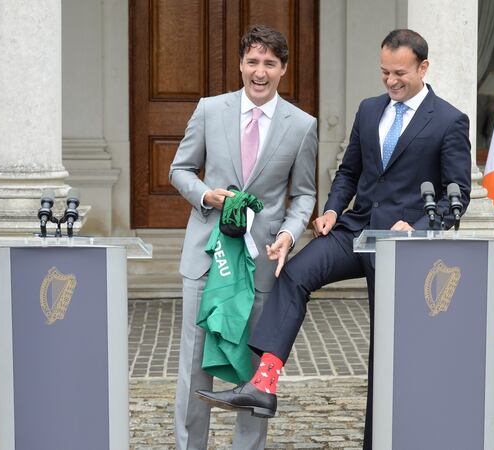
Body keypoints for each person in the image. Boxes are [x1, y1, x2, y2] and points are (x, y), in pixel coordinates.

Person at [196, 29, 472, 449]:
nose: (391, 81)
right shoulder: (368, 110)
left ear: (423, 68)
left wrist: (417, 225)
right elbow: (348, 173)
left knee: (387, 343)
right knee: (294, 273)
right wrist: (330, 209)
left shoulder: (450, 120)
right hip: (352, 231)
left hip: (402, 248)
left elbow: (459, 195)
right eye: (384, 72)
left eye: (400, 73)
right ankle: (264, 383)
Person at [169, 25, 318, 450]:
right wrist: (206, 196)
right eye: (252, 61)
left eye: (270, 63)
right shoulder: (209, 110)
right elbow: (180, 170)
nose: (260, 72)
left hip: (261, 262)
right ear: (240, 65)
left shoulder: (301, 126)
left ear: (283, 69)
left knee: (255, 371)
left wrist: (289, 234)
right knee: (195, 365)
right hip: (206, 258)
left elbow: (304, 193)